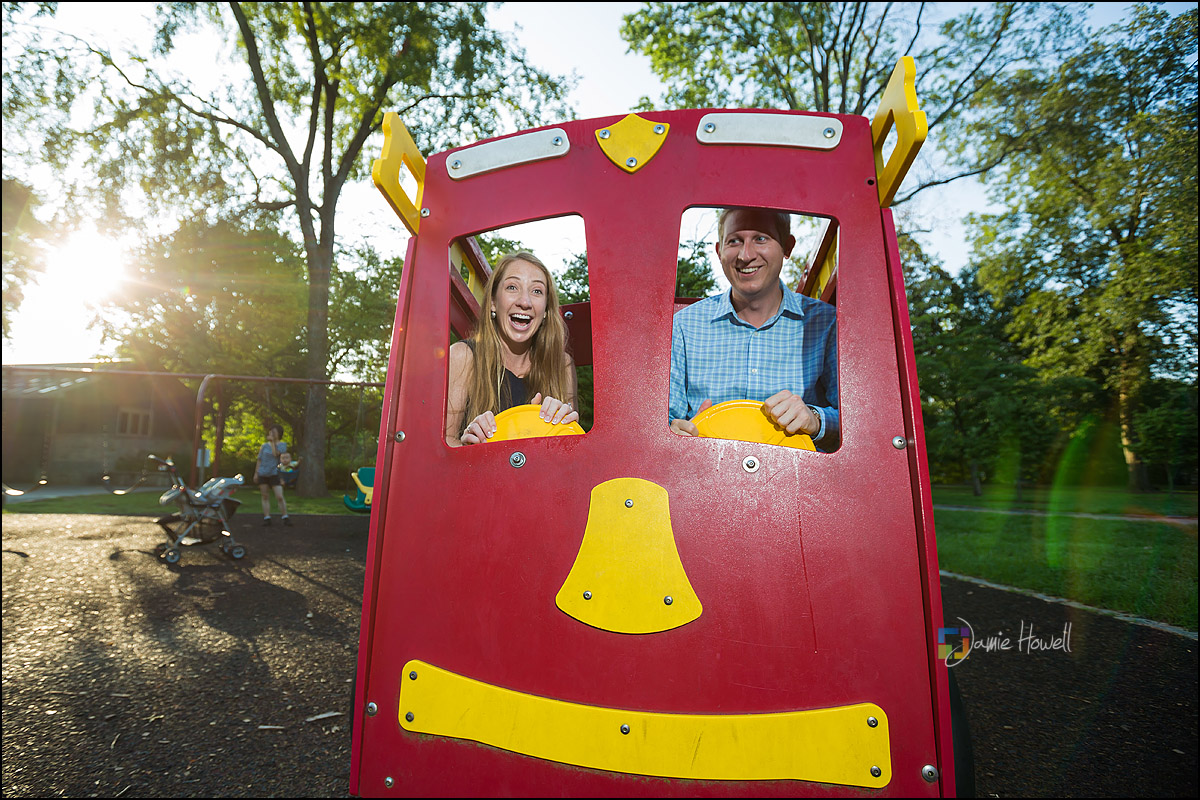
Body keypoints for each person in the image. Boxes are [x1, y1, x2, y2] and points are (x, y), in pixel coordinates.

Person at [669, 207, 839, 450]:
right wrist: (674, 432)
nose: (745, 255)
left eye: (761, 238)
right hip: (704, 477)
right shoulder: (685, 326)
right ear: (719, 251)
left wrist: (815, 419)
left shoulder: (827, 324)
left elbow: (857, 422)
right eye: (734, 241)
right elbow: (662, 422)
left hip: (801, 480)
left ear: (787, 247)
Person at [444, 250, 579, 446]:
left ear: (546, 311)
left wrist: (560, 430)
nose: (524, 302)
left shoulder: (562, 365)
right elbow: (443, 445)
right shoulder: (463, 356)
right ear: (492, 303)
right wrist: (469, 450)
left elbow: (573, 453)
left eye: (537, 291)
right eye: (512, 287)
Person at [253, 423, 291, 526]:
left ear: (279, 433)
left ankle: (285, 517)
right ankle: (267, 517)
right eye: (271, 431)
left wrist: (273, 442)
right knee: (265, 496)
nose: (272, 433)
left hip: (275, 473)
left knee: (279, 496)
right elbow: (259, 460)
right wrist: (256, 473)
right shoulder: (264, 446)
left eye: (274, 432)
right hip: (263, 473)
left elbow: (276, 454)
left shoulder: (282, 445)